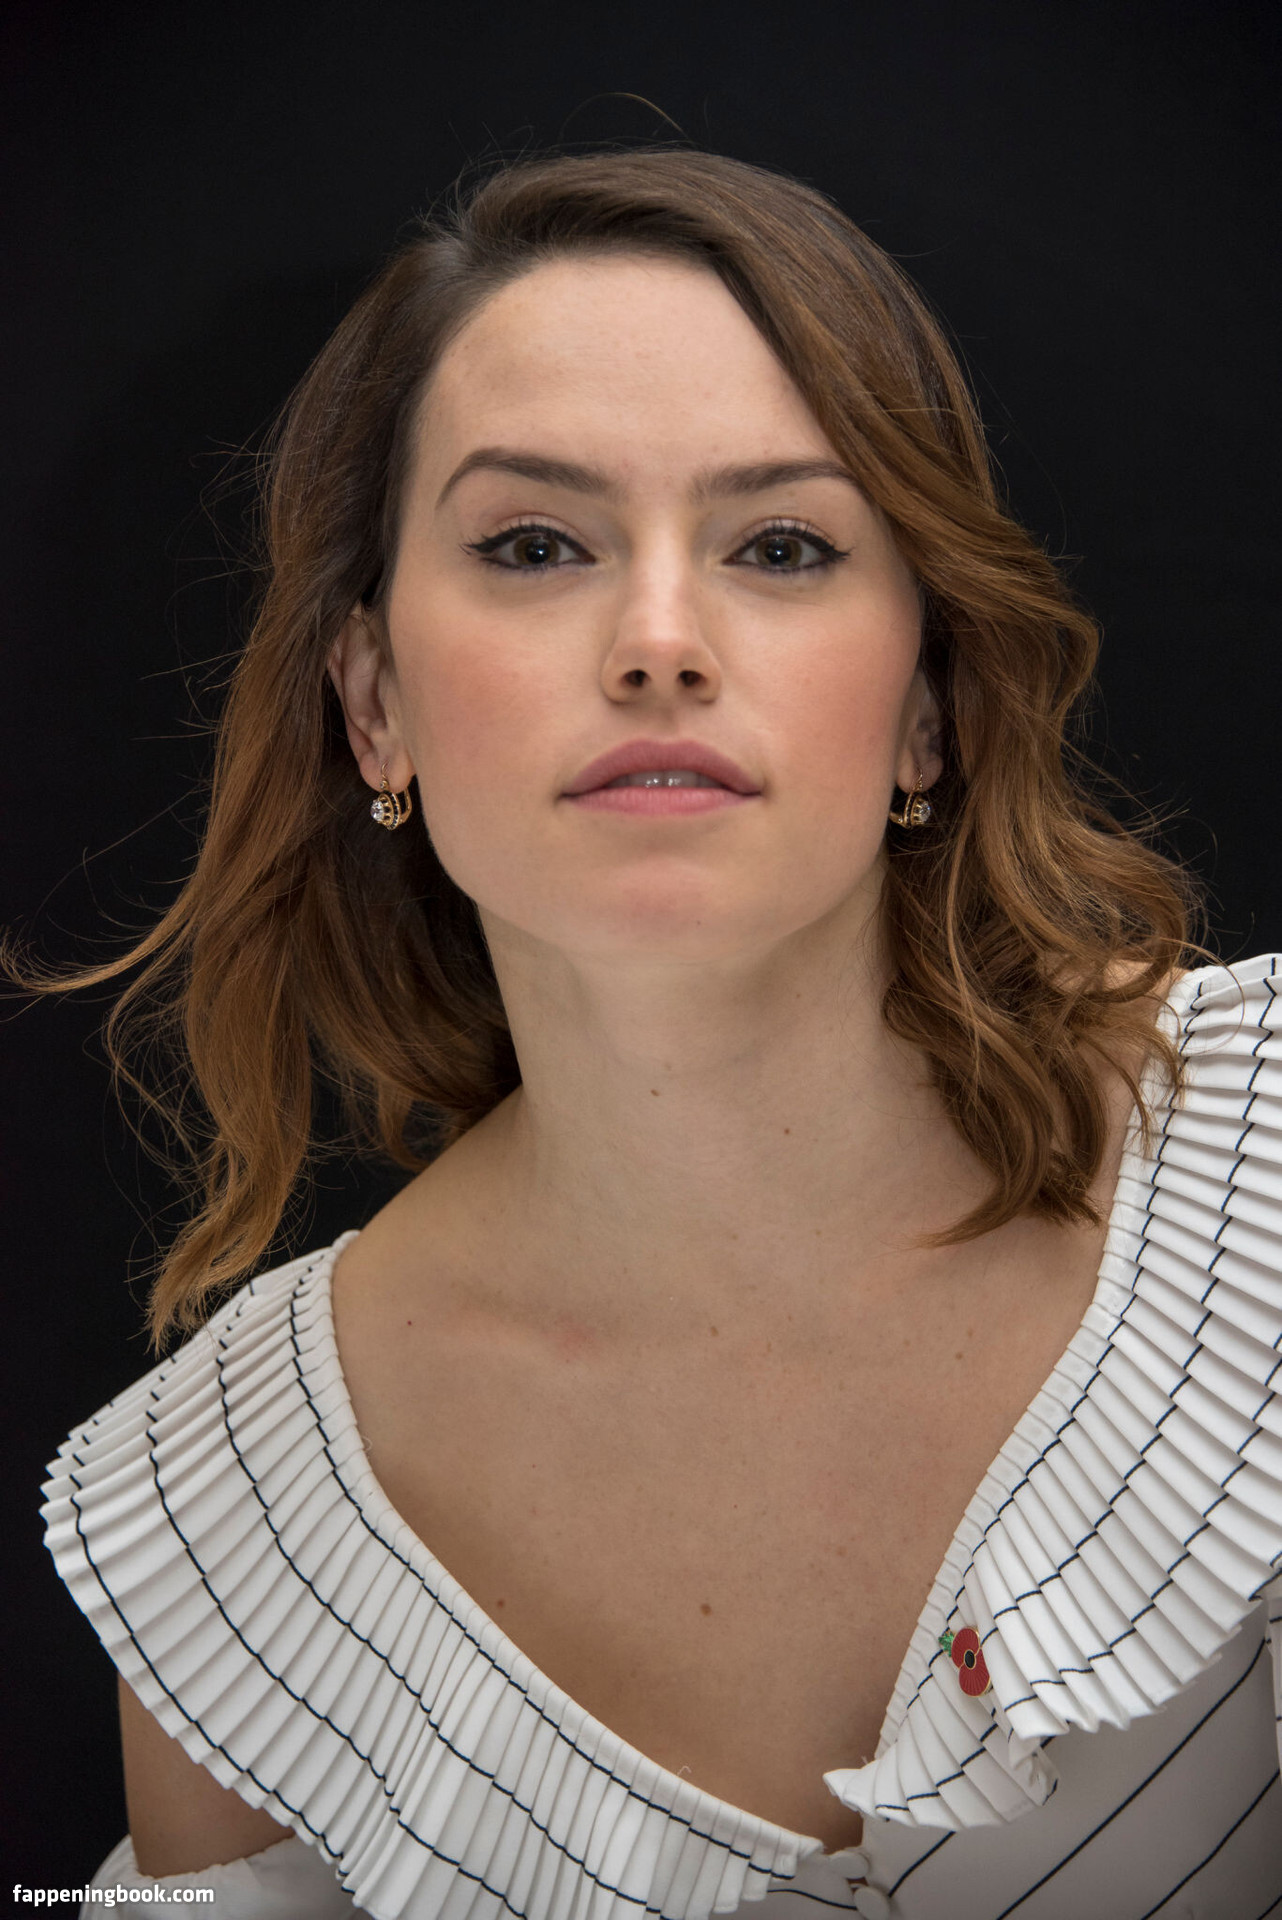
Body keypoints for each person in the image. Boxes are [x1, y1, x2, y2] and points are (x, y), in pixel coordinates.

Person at [34, 148, 1281, 1919]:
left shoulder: (1260, 1161)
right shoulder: (215, 1529)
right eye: (534, 545)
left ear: (927, 708)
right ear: (373, 704)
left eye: (781, 546)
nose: (659, 643)